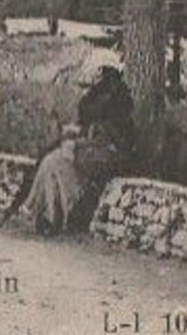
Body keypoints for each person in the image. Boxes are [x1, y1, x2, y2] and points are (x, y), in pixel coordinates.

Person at [20, 66, 135, 235]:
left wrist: (79, 138)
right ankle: (47, 215)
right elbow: (86, 126)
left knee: (56, 161)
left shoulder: (117, 99)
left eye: (100, 73)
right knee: (50, 162)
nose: (97, 76)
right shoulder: (97, 96)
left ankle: (52, 212)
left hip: (106, 154)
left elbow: (107, 135)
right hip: (90, 150)